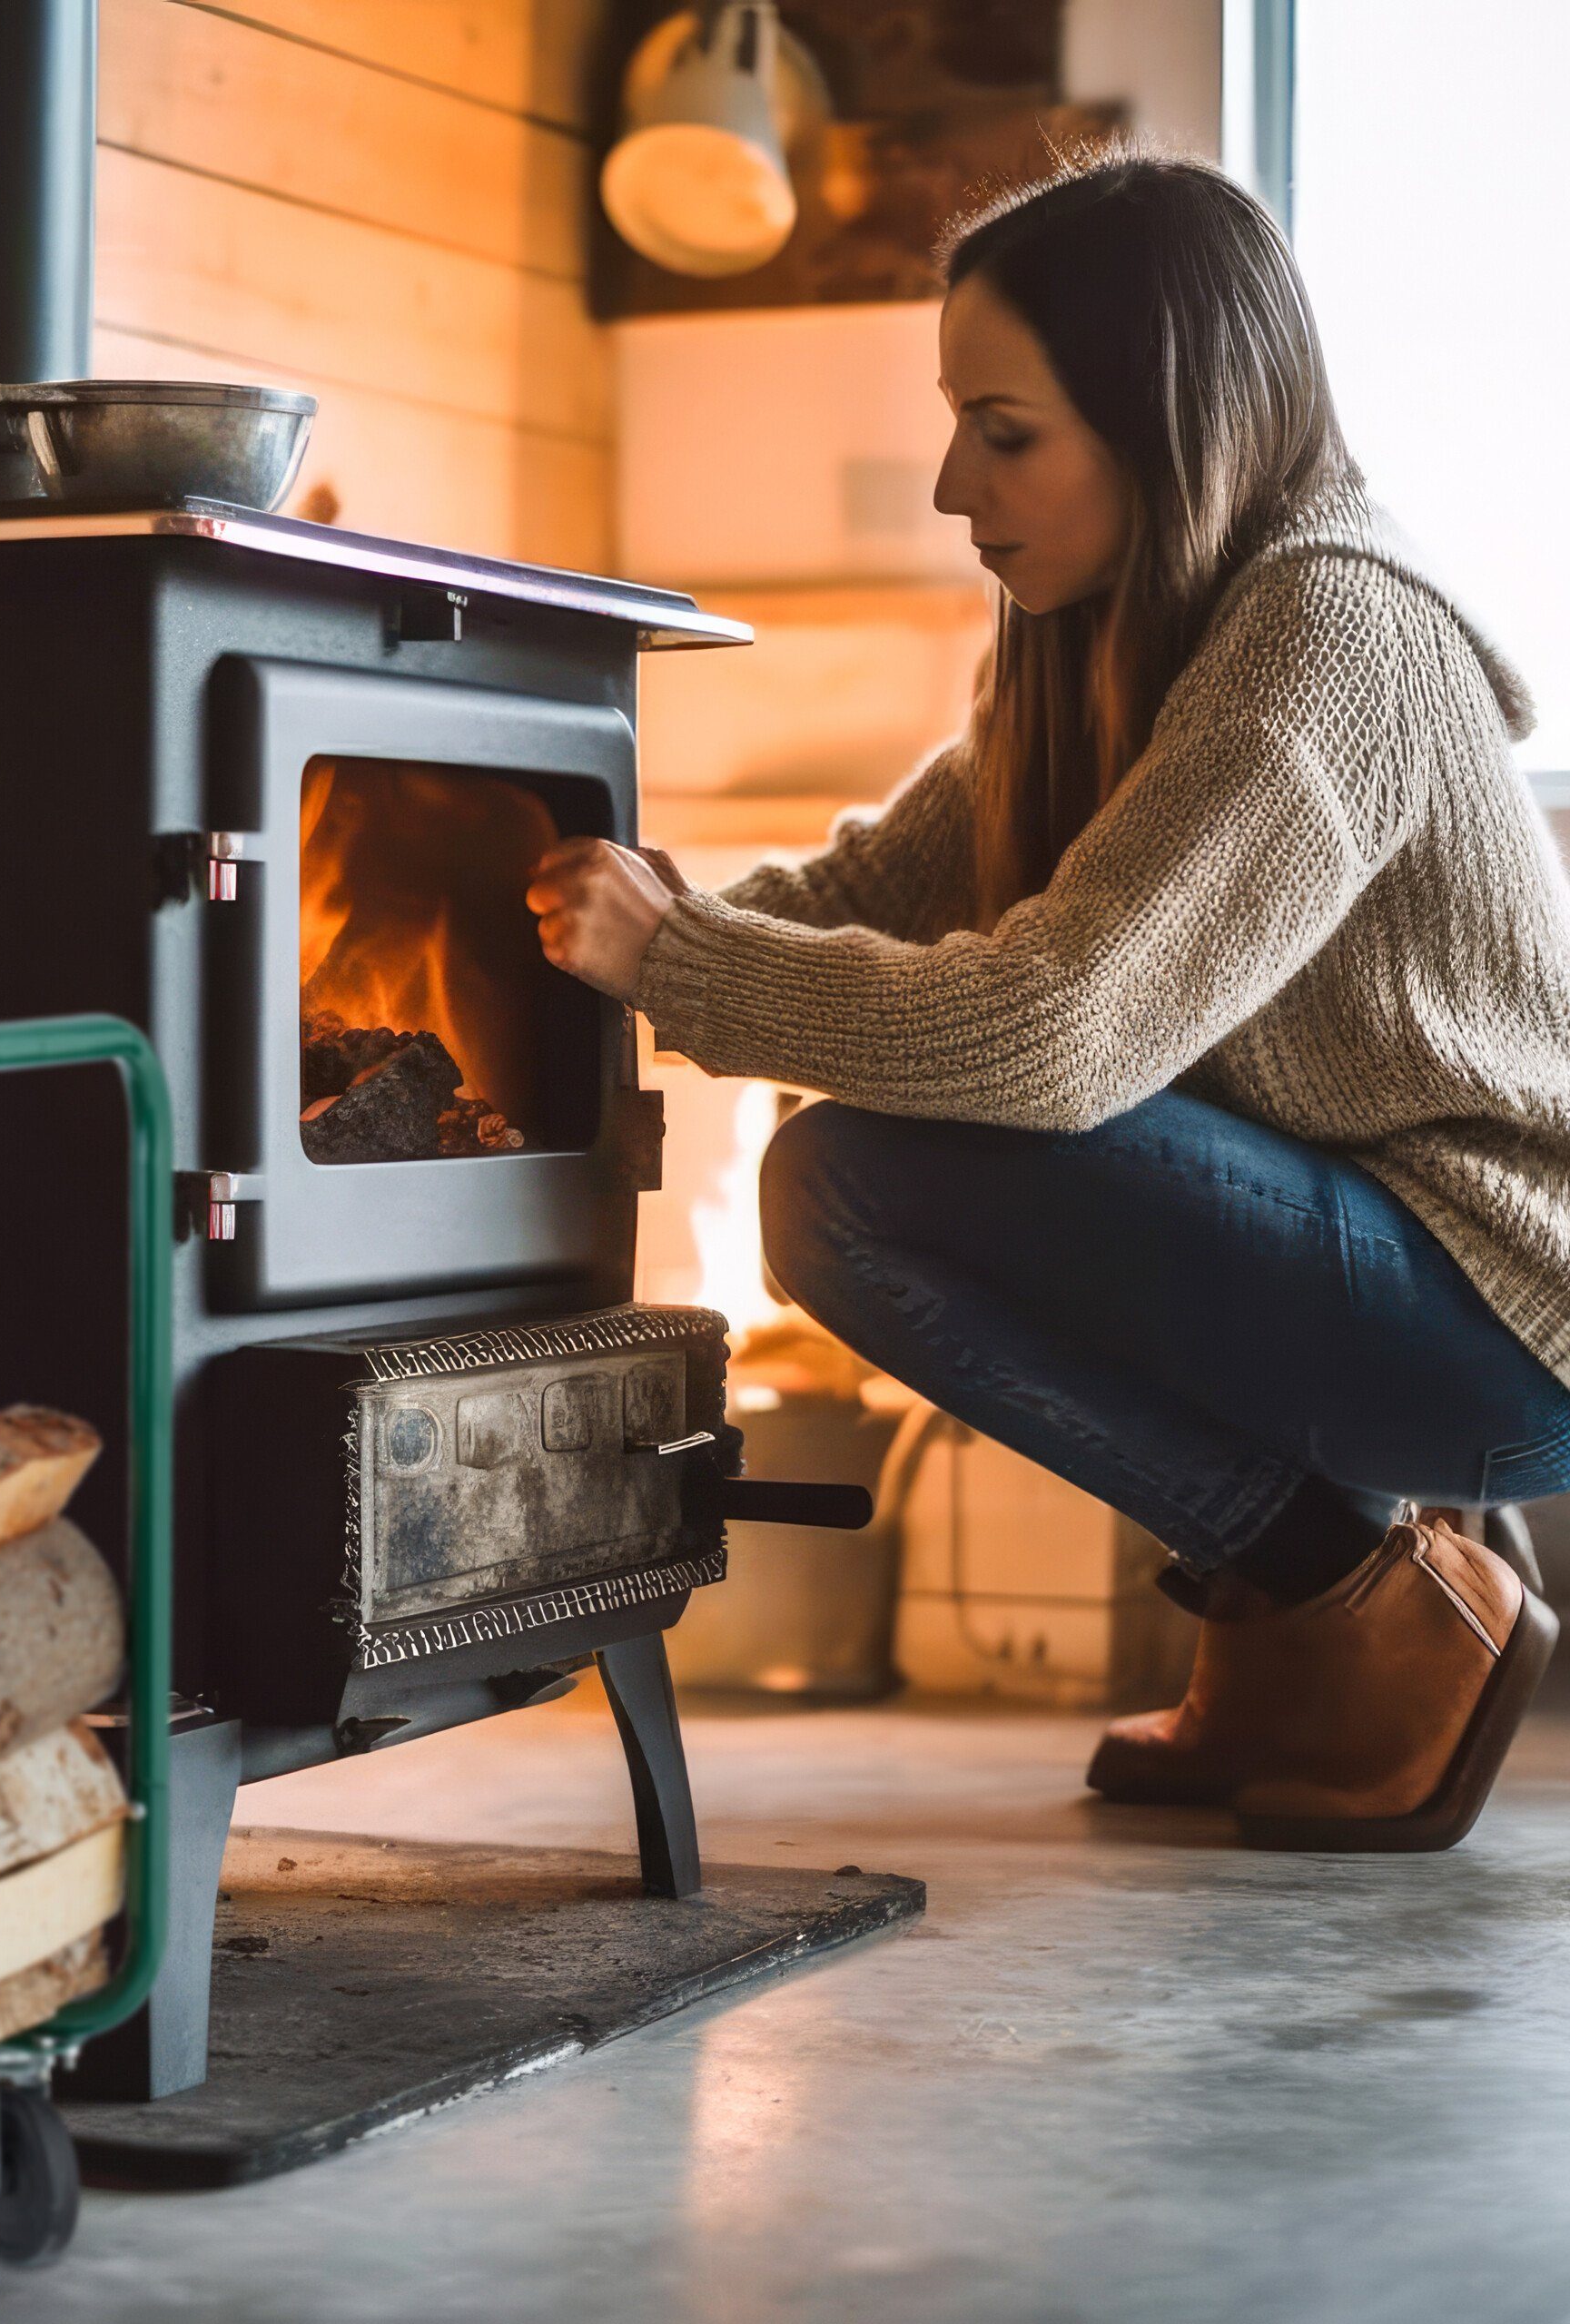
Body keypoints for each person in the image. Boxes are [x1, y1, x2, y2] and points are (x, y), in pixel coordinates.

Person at [527, 151, 1570, 1852]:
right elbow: (870, 892)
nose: (954, 483)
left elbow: (1054, 1034)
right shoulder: (1100, 636)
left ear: (1174, 427)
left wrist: (684, 964)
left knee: (849, 1181)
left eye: (1004, 431)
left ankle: (1362, 1594)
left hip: (1509, 1308)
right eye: (957, 421)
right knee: (859, 1149)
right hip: (1369, 1252)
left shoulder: (1331, 634)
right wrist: (585, 946)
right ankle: (1300, 1599)